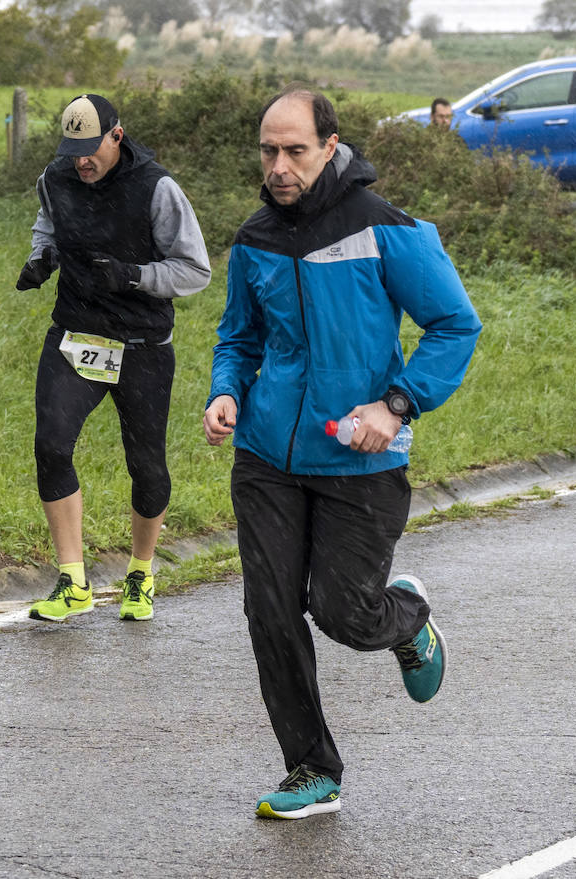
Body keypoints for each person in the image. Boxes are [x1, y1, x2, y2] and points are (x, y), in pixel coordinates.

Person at [203, 86, 482, 820]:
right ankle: (311, 768)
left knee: (342, 612)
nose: (280, 165)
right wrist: (226, 391)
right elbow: (238, 336)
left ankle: (408, 617)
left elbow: (455, 324)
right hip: (267, 455)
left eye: (295, 150)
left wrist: (396, 405)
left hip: (360, 458)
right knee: (269, 609)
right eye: (269, 151)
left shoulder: (384, 227)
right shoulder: (255, 236)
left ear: (330, 146)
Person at [16, 93, 211, 624]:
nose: (82, 160)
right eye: (72, 149)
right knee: (51, 446)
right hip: (77, 335)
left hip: (142, 344)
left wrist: (134, 276)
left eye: (90, 149)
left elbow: (195, 271)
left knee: (146, 466)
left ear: (116, 137)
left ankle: (141, 572)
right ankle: (72, 580)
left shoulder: (157, 188)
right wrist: (42, 258)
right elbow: (48, 224)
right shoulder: (55, 178)